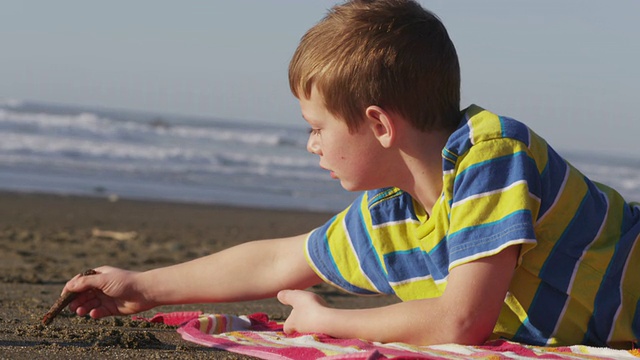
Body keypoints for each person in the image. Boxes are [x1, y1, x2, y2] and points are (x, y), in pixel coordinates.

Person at [64, 0, 640, 348]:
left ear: (378, 125)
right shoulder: (391, 217)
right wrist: (139, 287)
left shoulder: (490, 155)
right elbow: (278, 260)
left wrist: (331, 322)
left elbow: (461, 320)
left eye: (317, 126)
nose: (310, 143)